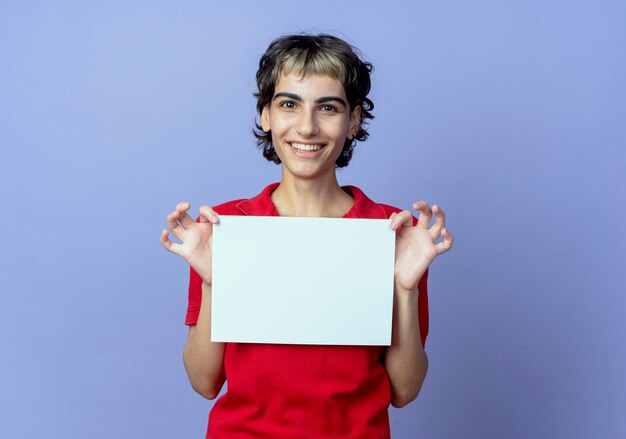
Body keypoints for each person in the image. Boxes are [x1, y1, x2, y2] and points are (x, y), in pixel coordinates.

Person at [160, 33, 454, 439]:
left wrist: (405, 288)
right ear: (266, 114)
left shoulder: (393, 231)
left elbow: (404, 390)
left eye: (328, 107)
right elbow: (203, 381)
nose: (307, 126)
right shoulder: (225, 226)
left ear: (353, 121)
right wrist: (215, 280)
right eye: (288, 104)